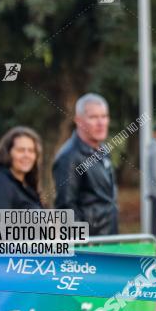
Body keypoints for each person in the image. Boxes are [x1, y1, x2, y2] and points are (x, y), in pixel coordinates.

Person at [52, 93, 119, 235]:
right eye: (93, 117)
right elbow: (66, 209)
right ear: (79, 121)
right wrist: (85, 246)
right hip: (91, 246)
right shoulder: (69, 157)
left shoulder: (103, 150)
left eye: (104, 116)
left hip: (109, 240)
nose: (101, 123)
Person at [0, 126, 44, 209]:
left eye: (31, 151)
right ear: (7, 153)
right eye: (20, 150)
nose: (27, 155)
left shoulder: (28, 187)